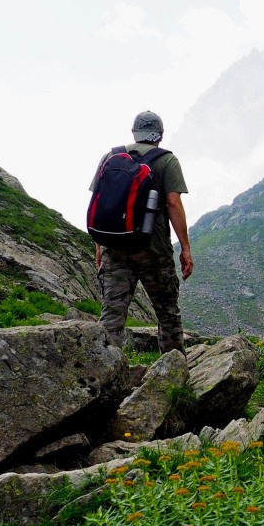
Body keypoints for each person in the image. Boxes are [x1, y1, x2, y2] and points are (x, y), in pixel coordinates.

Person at [91, 110, 194, 352]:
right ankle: (174, 377)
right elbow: (173, 204)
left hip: (114, 249)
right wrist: (185, 248)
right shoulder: (167, 160)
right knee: (167, 313)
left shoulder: (110, 156)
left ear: (133, 132)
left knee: (112, 315)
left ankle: (105, 374)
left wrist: (99, 245)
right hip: (153, 249)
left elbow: (100, 203)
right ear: (159, 135)